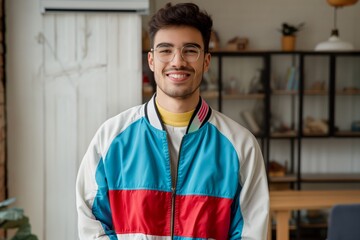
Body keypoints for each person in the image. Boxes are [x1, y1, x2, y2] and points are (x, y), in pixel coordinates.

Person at [76, 2, 269, 240]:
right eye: (165, 50)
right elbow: (92, 222)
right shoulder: (110, 138)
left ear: (206, 61)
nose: (177, 61)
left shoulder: (240, 145)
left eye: (190, 50)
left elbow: (251, 231)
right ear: (151, 60)